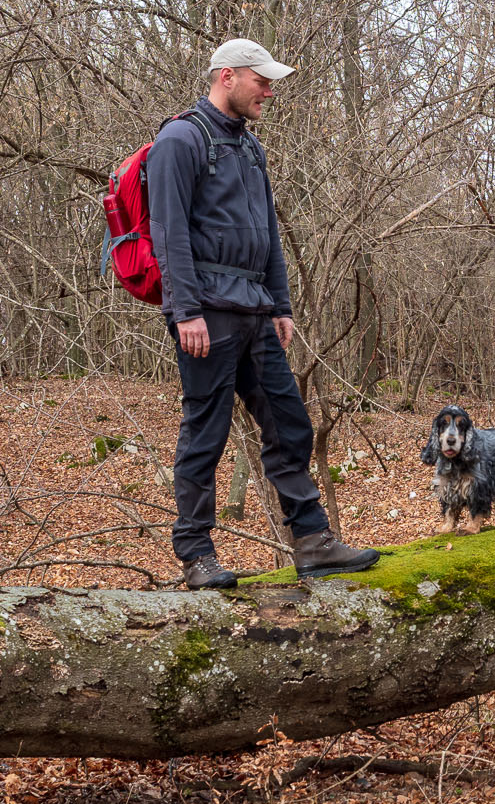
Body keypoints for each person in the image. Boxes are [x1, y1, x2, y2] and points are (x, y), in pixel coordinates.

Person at [147, 37, 379, 589]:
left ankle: (313, 541)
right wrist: (185, 311)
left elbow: (269, 234)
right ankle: (196, 554)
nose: (269, 91)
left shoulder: (251, 149)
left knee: (288, 422)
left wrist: (281, 304)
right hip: (206, 315)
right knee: (206, 430)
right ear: (227, 76)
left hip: (256, 311)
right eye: (262, 80)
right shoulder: (181, 139)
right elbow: (168, 234)